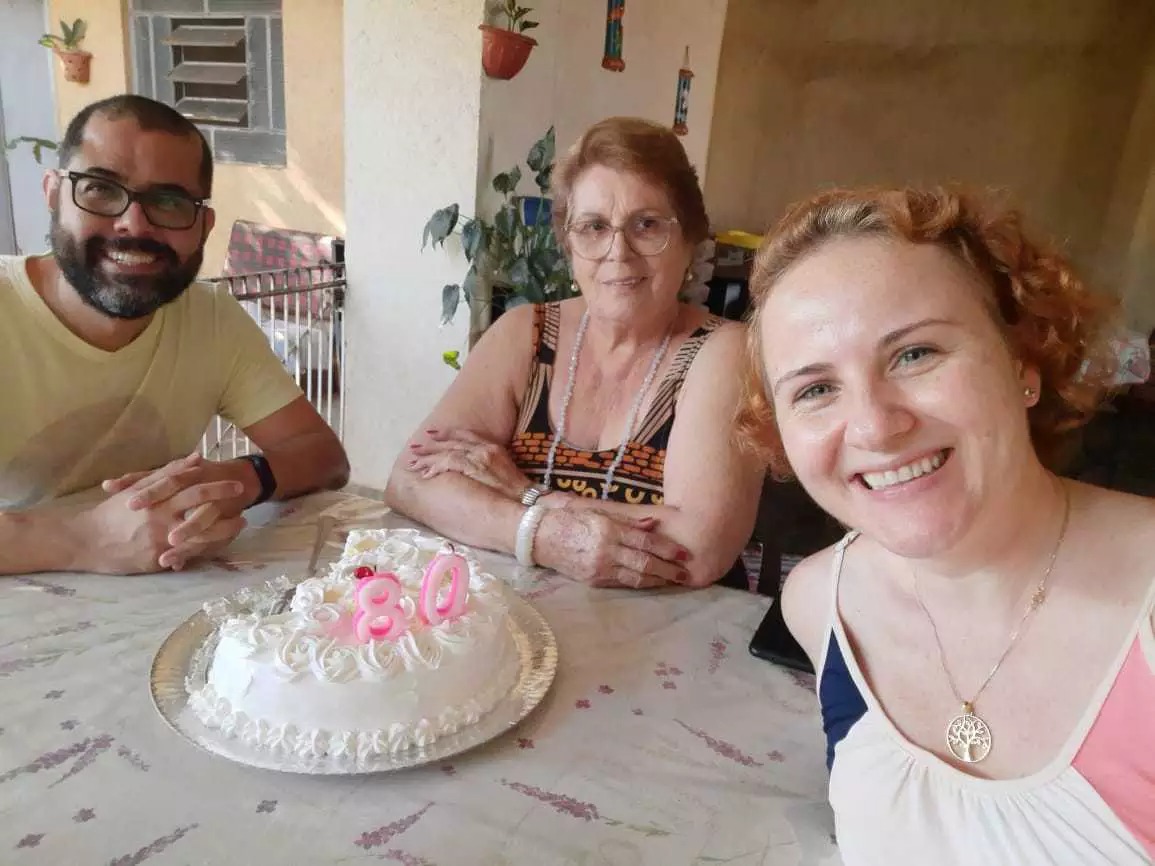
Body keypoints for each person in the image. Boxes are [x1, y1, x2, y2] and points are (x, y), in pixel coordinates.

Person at [737, 187, 1155, 863]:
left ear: (1024, 360)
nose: (873, 426)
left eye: (914, 354)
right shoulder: (819, 603)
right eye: (814, 389)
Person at [387, 117, 764, 588]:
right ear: (568, 244)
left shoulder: (723, 352)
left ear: (690, 238)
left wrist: (523, 494)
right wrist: (541, 536)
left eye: (646, 225)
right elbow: (411, 480)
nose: (617, 252)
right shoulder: (523, 334)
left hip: (668, 637)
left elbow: (696, 548)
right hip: (519, 626)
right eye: (593, 227)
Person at [0, 95, 349, 576]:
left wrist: (236, 481)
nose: (132, 224)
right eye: (101, 189)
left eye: (169, 201)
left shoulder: (210, 319)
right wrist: (83, 541)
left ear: (203, 226)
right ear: (54, 194)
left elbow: (323, 456)